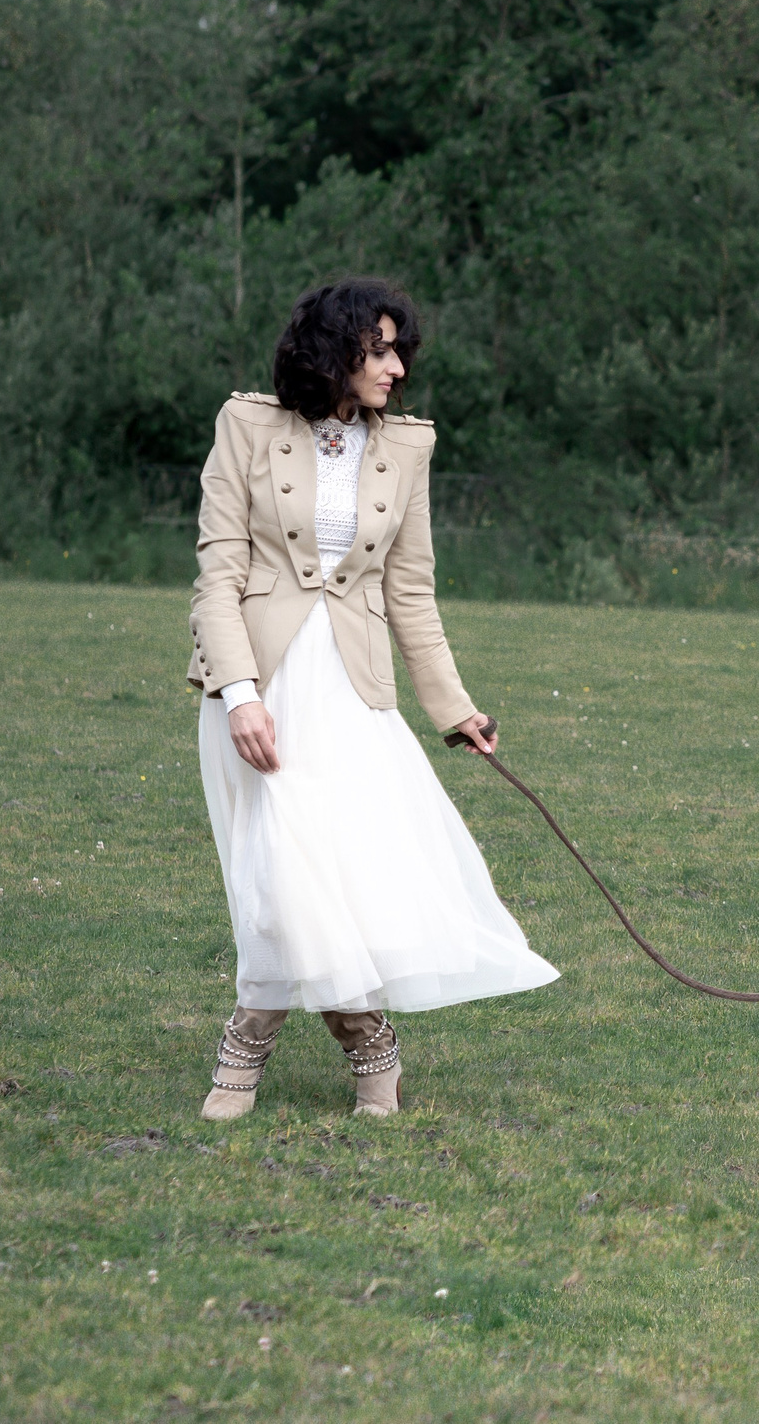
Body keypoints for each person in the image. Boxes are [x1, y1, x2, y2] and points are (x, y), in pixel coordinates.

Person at [187, 278, 559, 1121]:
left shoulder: (407, 447)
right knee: (281, 871)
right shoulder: (247, 426)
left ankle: (267, 1041)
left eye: (399, 350)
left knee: (332, 872)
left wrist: (455, 709)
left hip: (354, 691)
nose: (396, 367)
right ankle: (362, 1043)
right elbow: (218, 573)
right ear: (334, 350)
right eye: (379, 348)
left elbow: (411, 592)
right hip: (262, 685)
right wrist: (240, 693)